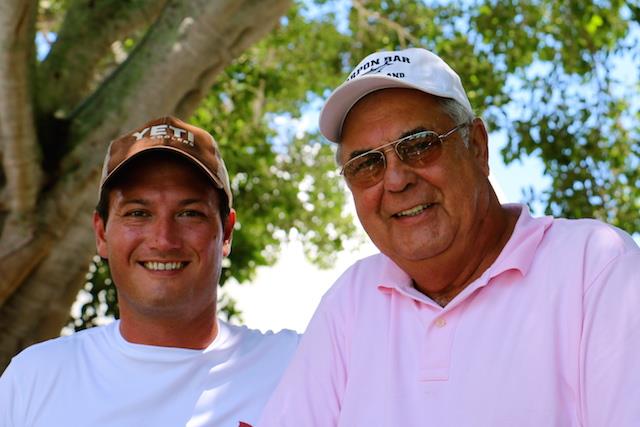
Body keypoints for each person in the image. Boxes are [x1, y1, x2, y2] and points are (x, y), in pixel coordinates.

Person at [259, 47, 640, 426]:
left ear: (477, 146)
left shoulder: (593, 266)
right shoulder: (351, 300)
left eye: (419, 145)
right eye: (367, 164)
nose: (396, 180)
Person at [0, 116, 299, 427]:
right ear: (101, 234)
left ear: (226, 233)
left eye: (189, 213)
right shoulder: (34, 380)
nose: (163, 240)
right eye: (138, 213)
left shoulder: (296, 367)